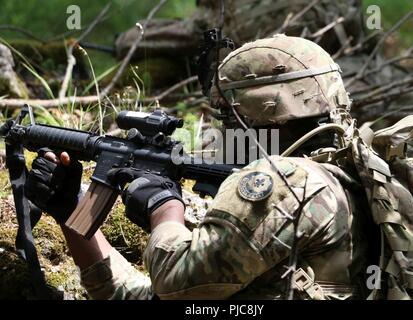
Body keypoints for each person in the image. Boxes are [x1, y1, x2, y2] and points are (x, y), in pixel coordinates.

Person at [25, 35, 375, 300]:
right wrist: (72, 209)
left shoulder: (286, 184)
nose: (222, 130)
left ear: (263, 114)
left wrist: (164, 207)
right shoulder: (354, 174)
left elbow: (174, 285)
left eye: (228, 116)